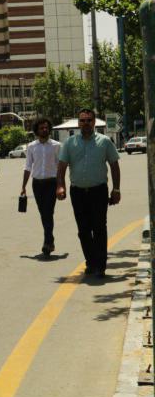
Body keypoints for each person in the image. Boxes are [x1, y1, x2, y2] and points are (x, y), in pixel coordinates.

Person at [56, 108, 121, 278]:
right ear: (78, 123)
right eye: (82, 120)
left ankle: (100, 265)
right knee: (83, 230)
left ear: (94, 122)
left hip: (98, 191)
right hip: (77, 193)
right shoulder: (69, 143)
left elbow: (114, 165)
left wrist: (116, 189)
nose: (85, 123)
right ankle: (91, 262)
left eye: (89, 120)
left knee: (99, 228)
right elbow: (61, 167)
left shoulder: (105, 142)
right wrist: (60, 186)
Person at [21, 118, 61, 257]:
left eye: (46, 128)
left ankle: (47, 243)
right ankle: (50, 240)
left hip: (51, 183)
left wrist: (60, 185)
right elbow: (27, 167)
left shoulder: (56, 145)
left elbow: (60, 166)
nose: (44, 130)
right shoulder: (31, 146)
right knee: (43, 213)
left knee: (48, 212)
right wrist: (23, 187)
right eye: (41, 128)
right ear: (36, 131)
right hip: (37, 184)